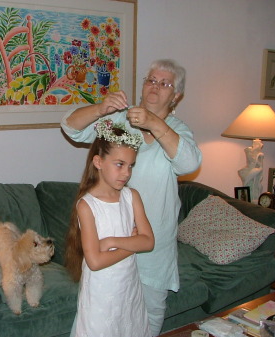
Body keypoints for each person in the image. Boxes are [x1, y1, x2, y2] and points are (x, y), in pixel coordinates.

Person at [61, 59, 202, 336]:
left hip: (152, 252)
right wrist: (102, 108)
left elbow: (188, 164)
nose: (155, 87)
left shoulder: (177, 130)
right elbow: (71, 127)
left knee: (144, 325)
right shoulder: (117, 120)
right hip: (107, 248)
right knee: (106, 322)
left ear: (176, 96)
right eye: (151, 80)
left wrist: (153, 123)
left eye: (165, 84)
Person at [65, 118, 154, 337]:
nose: (126, 173)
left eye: (131, 166)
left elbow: (149, 241)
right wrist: (132, 246)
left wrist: (114, 241)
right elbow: (95, 262)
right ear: (98, 162)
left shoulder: (131, 197)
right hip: (101, 294)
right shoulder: (87, 205)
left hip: (129, 287)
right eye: (119, 164)